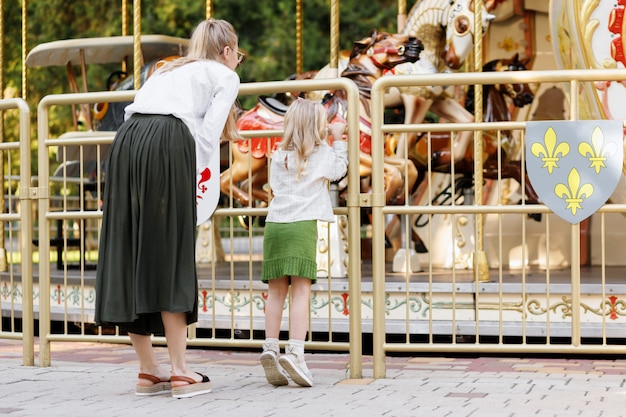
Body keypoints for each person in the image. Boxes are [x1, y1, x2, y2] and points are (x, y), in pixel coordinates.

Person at [94, 18, 244, 399]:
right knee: (172, 249)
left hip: (127, 142)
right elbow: (208, 136)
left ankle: (149, 370)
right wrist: (199, 184)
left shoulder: (167, 69)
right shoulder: (224, 76)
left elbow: (133, 111)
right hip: (168, 141)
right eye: (238, 54)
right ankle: (180, 371)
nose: (237, 61)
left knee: (130, 246)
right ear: (227, 51)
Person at [260, 98, 348, 387]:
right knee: (300, 292)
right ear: (318, 127)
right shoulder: (321, 153)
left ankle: (270, 348)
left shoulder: (278, 155)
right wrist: (337, 139)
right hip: (301, 227)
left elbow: (274, 187)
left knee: (275, 293)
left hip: (275, 226)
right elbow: (340, 171)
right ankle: (295, 352)